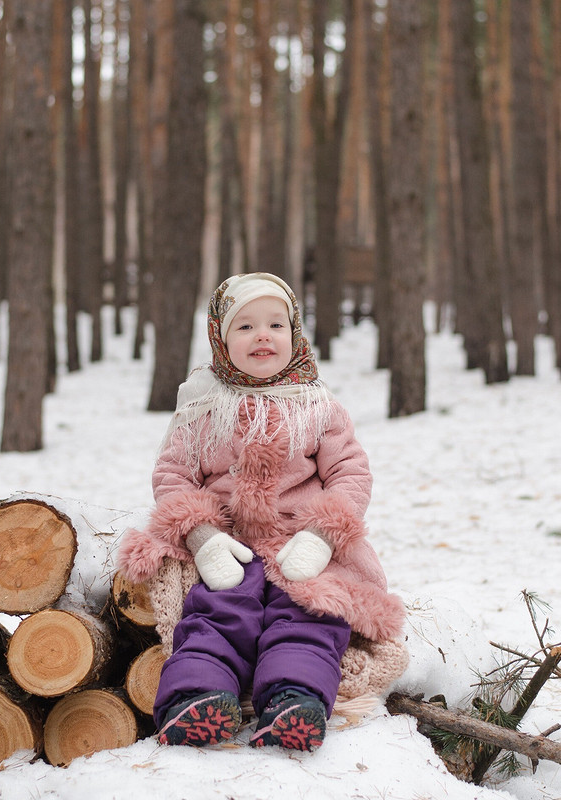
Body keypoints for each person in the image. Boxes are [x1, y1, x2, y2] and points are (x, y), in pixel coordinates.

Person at [118, 272, 406, 752]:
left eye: (276, 325)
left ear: (294, 334)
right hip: (229, 545)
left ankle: (294, 699)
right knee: (215, 612)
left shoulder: (317, 406)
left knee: (310, 612)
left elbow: (351, 473)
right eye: (245, 327)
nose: (263, 336)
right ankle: (197, 698)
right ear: (220, 337)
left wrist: (321, 536)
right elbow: (173, 477)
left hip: (301, 544)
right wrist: (202, 536)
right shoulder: (203, 407)